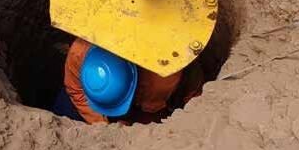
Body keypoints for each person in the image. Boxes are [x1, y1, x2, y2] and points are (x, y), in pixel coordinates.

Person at [52, 38, 204, 124]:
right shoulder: (80, 53)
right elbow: (76, 90)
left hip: (150, 107)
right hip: (93, 103)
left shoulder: (168, 72)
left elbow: (194, 97)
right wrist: (102, 125)